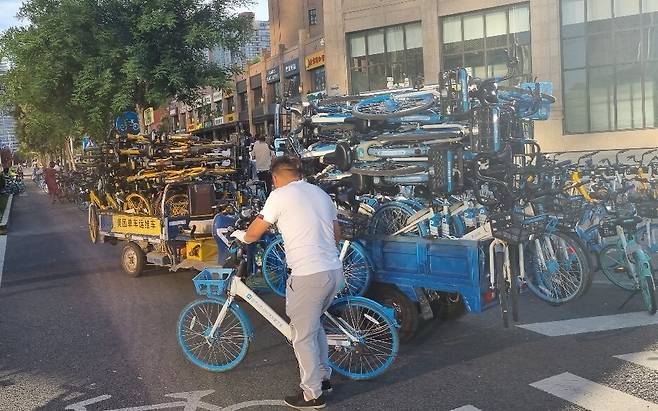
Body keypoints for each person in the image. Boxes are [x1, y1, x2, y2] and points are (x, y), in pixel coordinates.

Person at [232, 156, 343, 409]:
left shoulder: (279, 196)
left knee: (301, 336)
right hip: (334, 272)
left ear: (274, 178)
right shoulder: (321, 194)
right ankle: (323, 378)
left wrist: (241, 235)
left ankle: (312, 395)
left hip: (308, 275)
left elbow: (253, 233)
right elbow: (336, 234)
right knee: (314, 326)